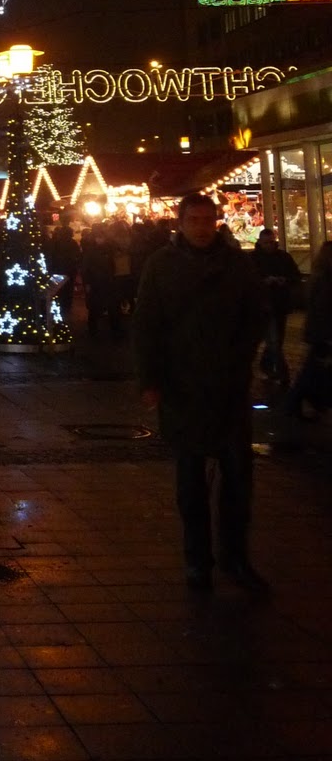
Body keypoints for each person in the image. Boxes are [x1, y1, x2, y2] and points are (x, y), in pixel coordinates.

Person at [133, 192, 269, 594]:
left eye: (207, 220)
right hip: (184, 386)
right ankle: (197, 561)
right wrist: (150, 380)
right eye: (194, 220)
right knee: (191, 481)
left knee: (238, 477)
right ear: (180, 223)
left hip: (228, 385)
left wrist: (241, 354)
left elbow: (256, 314)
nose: (202, 227)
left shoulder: (236, 264)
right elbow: (147, 326)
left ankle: (235, 557)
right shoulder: (162, 265)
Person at [284, 241, 332, 421]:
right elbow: (323, 308)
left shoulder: (318, 277)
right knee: (312, 369)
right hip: (323, 332)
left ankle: (306, 400)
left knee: (313, 368)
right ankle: (297, 401)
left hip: (318, 331)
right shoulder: (325, 280)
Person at [251, 227, 300, 387]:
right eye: (266, 243)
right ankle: (282, 373)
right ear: (260, 242)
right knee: (274, 340)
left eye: (271, 242)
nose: (269, 246)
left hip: (279, 303)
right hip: (265, 304)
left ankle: (267, 365)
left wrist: (283, 280)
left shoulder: (283, 257)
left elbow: (295, 276)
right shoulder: (253, 259)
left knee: (276, 340)